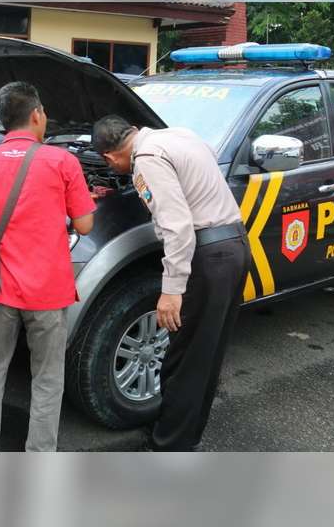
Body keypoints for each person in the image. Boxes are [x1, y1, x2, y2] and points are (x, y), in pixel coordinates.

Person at [91, 115, 250, 452]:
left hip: (206, 258)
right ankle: (184, 435)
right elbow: (192, 185)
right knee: (205, 355)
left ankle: (168, 446)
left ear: (109, 157)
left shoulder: (146, 161)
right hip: (233, 245)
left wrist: (171, 290)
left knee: (184, 359)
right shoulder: (180, 134)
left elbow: (178, 226)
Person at [0, 81, 96, 452]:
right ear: (36, 115)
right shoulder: (63, 162)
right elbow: (84, 225)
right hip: (48, 290)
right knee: (47, 378)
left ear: (2, 120)